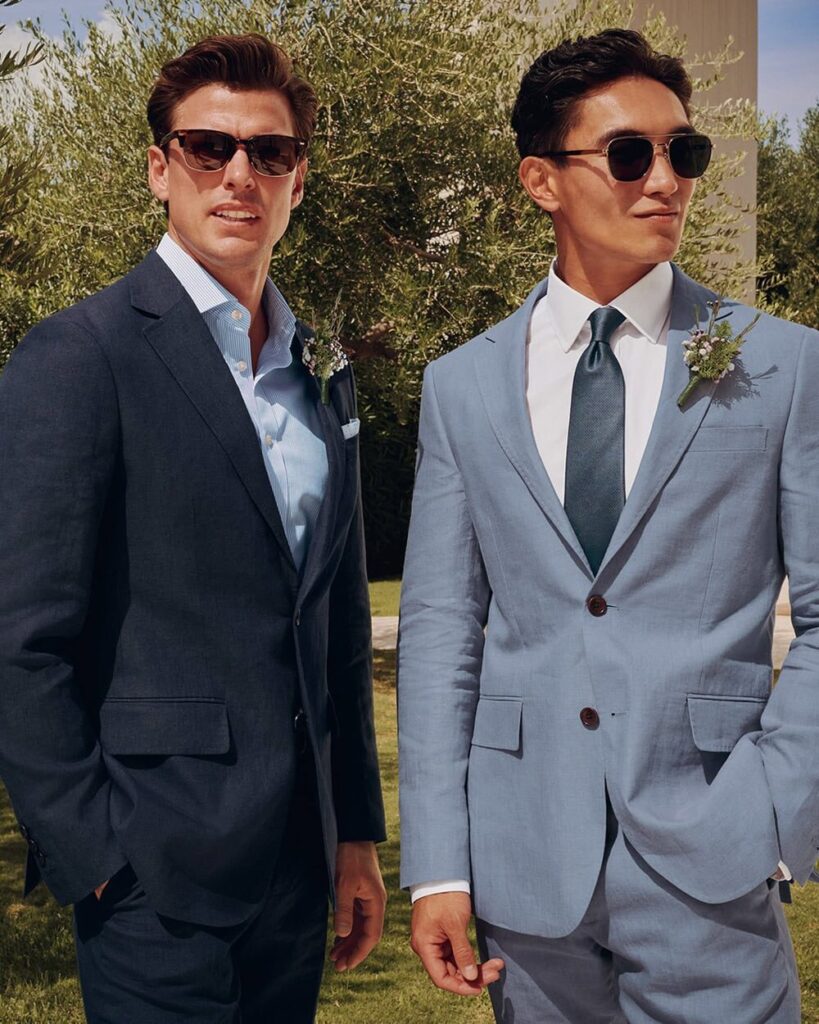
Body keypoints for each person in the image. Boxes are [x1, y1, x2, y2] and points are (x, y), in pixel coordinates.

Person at [398, 27, 816, 1023]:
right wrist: (438, 867)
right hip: (523, 874)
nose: (666, 178)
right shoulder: (460, 388)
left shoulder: (782, 364)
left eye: (685, 153)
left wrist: (771, 805)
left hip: (712, 868)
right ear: (543, 181)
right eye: (631, 153)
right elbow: (442, 631)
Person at [0, 32, 386, 1023]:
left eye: (271, 152)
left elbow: (337, 628)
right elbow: (20, 640)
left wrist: (354, 838)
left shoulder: (325, 372)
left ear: (299, 179)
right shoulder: (80, 357)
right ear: (159, 168)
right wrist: (95, 855)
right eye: (208, 148)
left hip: (297, 871)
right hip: (150, 882)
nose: (239, 175)